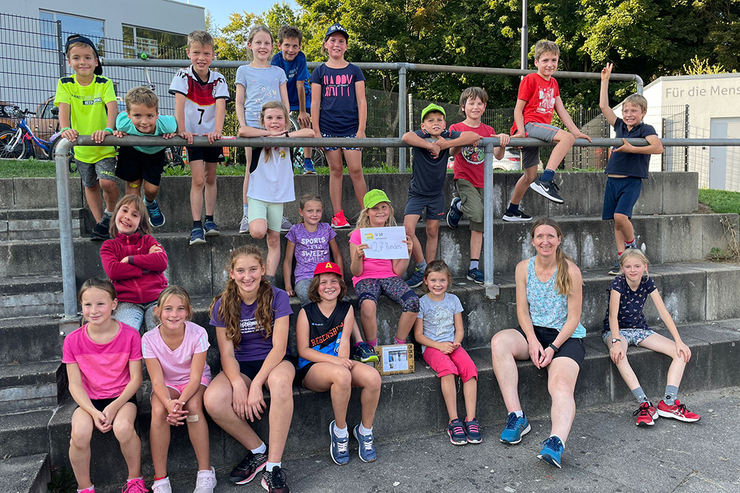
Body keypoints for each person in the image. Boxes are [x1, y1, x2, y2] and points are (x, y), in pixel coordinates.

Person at [490, 218, 586, 469]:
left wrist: (553, 348)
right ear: (532, 241)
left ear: (559, 240)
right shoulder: (523, 268)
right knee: (499, 342)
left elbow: (574, 318)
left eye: (550, 236)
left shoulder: (571, 271)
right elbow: (522, 311)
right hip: (533, 332)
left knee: (561, 385)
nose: (545, 241)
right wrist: (532, 342)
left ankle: (556, 442)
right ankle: (517, 417)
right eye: (540, 236)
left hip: (565, 337)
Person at [203, 246, 295, 493]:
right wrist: (237, 383)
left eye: (253, 269)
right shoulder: (222, 304)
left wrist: (255, 384)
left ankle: (273, 467)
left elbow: (279, 347)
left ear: (263, 270)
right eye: (241, 271)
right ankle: (258, 450)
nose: (247, 276)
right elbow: (226, 354)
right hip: (241, 364)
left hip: (275, 361)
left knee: (281, 384)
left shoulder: (277, 296)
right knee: (213, 399)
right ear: (232, 273)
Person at [62, 279, 146, 493]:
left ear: (114, 304)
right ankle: (85, 488)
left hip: (122, 398)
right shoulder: (72, 340)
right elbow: (74, 385)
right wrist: (92, 411)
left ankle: (135, 481)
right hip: (88, 401)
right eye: (87, 304)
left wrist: (114, 406)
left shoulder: (130, 335)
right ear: (81, 306)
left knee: (123, 428)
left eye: (100, 304)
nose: (94, 310)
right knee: (79, 434)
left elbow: (136, 378)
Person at [296, 262, 382, 465]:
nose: (329, 286)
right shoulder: (306, 312)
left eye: (334, 281)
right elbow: (304, 350)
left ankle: (365, 431)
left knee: (373, 377)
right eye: (323, 282)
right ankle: (340, 431)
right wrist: (337, 363)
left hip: (340, 363)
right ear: (316, 286)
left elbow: (344, 342)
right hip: (312, 366)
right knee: (342, 375)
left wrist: (341, 362)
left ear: (341, 285)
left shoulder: (346, 308)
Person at [603, 249, 700, 426]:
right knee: (619, 355)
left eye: (637, 266)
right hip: (617, 331)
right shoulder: (618, 283)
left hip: (640, 329)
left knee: (680, 353)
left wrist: (679, 341)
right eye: (628, 266)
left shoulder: (647, 282)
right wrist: (616, 342)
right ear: (622, 268)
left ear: (645, 267)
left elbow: (663, 312)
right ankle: (645, 404)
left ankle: (668, 403)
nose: (633, 270)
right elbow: (613, 316)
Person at [143, 286, 216, 493]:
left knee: (194, 406)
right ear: (157, 311)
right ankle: (160, 479)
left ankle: (205, 473)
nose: (174, 314)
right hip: (167, 383)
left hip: (194, 381)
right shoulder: (148, 339)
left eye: (180, 309)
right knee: (159, 411)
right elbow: (157, 381)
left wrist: (179, 404)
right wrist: (168, 404)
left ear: (188, 311)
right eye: (168, 309)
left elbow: (195, 378)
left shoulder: (198, 333)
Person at [505, 39, 592, 210]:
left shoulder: (553, 83)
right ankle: (546, 180)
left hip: (538, 129)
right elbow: (518, 109)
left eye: (554, 60)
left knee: (530, 176)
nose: (550, 64)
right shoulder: (530, 79)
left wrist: (576, 132)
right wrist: (521, 131)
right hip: (530, 125)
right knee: (566, 138)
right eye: (545, 60)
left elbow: (561, 110)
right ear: (536, 62)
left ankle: (512, 211)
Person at [402, 103, 480, 287]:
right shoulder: (421, 135)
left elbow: (474, 136)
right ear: (423, 126)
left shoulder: (447, 135)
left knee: (432, 231)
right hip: (417, 193)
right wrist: (431, 146)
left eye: (439, 120)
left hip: (436, 194)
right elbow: (406, 137)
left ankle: (430, 272)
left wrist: (446, 144)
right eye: (430, 120)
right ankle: (422, 266)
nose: (435, 123)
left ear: (445, 124)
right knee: (407, 230)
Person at [599, 63, 664, 275]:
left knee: (621, 217)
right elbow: (604, 107)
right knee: (616, 223)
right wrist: (605, 81)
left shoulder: (646, 129)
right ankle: (623, 262)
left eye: (633, 111)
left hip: (631, 180)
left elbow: (658, 147)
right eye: (626, 111)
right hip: (613, 180)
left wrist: (632, 148)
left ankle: (632, 247)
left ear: (642, 113)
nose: (628, 114)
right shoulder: (619, 125)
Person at [55, 34, 119, 241]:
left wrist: (108, 129)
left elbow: (112, 107)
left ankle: (109, 214)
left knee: (106, 183)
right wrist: (66, 128)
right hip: (82, 148)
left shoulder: (104, 83)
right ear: (69, 61)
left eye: (87, 57)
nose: (82, 62)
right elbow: (63, 109)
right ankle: (102, 225)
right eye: (76, 58)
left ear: (96, 61)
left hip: (103, 145)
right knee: (90, 185)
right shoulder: (65, 84)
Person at [241, 101, 314, 280]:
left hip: (277, 197)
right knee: (258, 231)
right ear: (263, 121)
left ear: (286, 121)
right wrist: (268, 134)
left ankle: (269, 280)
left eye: (279, 118)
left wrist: (284, 135)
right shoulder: (258, 140)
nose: (275, 121)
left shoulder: (288, 139)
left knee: (274, 239)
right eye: (270, 118)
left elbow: (310, 132)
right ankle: (254, 218)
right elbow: (242, 131)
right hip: (258, 195)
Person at [169, 30, 229, 246]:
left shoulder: (219, 79)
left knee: (211, 177)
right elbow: (179, 104)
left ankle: (210, 220)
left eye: (206, 53)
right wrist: (182, 130)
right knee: (198, 180)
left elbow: (221, 107)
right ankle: (196, 225)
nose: (201, 58)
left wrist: (218, 130)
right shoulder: (183, 76)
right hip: (193, 136)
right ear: (188, 53)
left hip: (210, 136)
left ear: (213, 55)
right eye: (196, 53)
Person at [445, 87, 511, 283]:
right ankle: (458, 205)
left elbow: (498, 155)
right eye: (471, 103)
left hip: (484, 180)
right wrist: (465, 139)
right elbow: (451, 152)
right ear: (463, 107)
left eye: (479, 103)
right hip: (464, 178)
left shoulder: (488, 131)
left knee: (479, 222)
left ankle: (473, 267)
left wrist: (501, 141)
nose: (475, 107)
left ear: (484, 107)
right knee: (477, 212)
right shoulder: (457, 127)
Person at [414, 260, 481, 445]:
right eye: (433, 280)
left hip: (453, 345)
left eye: (442, 280)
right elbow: (418, 335)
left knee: (470, 370)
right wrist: (439, 346)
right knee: (448, 370)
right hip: (432, 347)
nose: (438, 284)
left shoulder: (453, 300)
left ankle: (471, 419)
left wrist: (456, 343)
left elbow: (459, 329)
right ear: (426, 280)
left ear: (448, 280)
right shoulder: (422, 303)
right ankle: (454, 421)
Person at [311, 23, 368, 229]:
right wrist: (317, 132)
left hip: (351, 128)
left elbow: (361, 101)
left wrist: (361, 130)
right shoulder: (319, 72)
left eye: (341, 41)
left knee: (356, 170)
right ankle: (338, 215)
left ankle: (367, 215)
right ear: (325, 44)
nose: (337, 44)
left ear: (346, 46)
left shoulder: (354, 71)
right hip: (328, 128)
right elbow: (315, 103)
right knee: (335, 170)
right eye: (333, 40)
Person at [236, 25, 291, 235]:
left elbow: (285, 102)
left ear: (272, 46)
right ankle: (247, 214)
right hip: (253, 126)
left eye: (267, 43)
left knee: (278, 169)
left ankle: (278, 214)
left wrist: (285, 125)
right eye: (258, 42)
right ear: (250, 45)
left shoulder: (278, 72)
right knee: (252, 168)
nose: (262, 46)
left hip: (275, 126)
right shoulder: (243, 70)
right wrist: (243, 125)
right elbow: (239, 102)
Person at [350, 189, 419, 354]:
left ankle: (399, 345)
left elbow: (397, 271)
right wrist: (357, 257)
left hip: (389, 277)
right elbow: (356, 271)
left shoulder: (394, 233)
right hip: (365, 277)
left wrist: (408, 253)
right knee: (367, 305)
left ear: (389, 210)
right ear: (367, 212)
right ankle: (372, 348)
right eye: (375, 208)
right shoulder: (358, 235)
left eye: (384, 207)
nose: (380, 211)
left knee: (413, 301)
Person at [101, 195, 168, 333]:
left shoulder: (148, 240)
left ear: (140, 224)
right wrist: (145, 269)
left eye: (134, 215)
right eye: (124, 210)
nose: (127, 217)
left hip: (156, 299)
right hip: (127, 302)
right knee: (125, 332)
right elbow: (113, 271)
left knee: (160, 332)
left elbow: (162, 262)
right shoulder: (109, 246)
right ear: (116, 213)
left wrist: (130, 259)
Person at [114, 86, 178, 228]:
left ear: (157, 114)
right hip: (132, 151)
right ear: (128, 114)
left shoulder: (166, 125)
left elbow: (178, 125)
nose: (144, 122)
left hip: (154, 153)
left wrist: (175, 133)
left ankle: (149, 203)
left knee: (151, 189)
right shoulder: (123, 123)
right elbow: (115, 123)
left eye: (150, 116)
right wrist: (117, 131)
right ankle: (133, 224)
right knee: (133, 185)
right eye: (137, 116)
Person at [283, 194, 343, 305]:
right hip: (304, 278)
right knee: (307, 297)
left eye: (318, 211)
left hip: (326, 275)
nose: (314, 214)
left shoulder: (326, 228)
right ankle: (312, 317)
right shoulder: (295, 230)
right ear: (301, 212)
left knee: (341, 300)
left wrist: (340, 278)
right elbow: (288, 260)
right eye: (310, 211)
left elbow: (337, 255)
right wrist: (288, 286)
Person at [272, 25, 315, 174]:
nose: (291, 50)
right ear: (279, 45)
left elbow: (300, 85)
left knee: (305, 123)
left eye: (295, 46)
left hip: (301, 95)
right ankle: (282, 160)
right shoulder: (276, 60)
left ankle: (307, 161)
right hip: (284, 94)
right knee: (280, 125)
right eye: (287, 45)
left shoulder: (301, 58)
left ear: (300, 47)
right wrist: (284, 109)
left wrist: (302, 111)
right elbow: (276, 85)